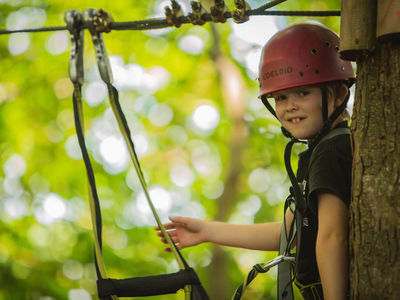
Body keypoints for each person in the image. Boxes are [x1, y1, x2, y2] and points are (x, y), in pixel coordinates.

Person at [156, 23, 355, 300]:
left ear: (339, 94)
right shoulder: (319, 151)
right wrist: (208, 231)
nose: (290, 106)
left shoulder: (331, 151)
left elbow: (333, 236)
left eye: (304, 93)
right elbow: (290, 234)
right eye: (281, 97)